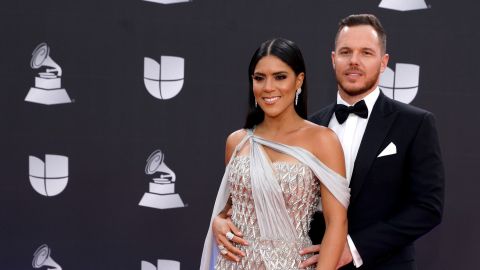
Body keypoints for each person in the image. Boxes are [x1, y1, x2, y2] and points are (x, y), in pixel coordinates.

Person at [211, 14, 445, 270]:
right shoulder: (310, 127)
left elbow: (427, 208)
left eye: (366, 53)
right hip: (302, 261)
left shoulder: (414, 123)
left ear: (383, 62)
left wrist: (354, 248)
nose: (354, 61)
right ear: (334, 59)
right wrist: (219, 220)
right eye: (346, 52)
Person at [200, 38, 351, 270]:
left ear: (299, 80)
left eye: (280, 77)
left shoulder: (322, 141)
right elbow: (231, 206)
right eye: (259, 78)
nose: (268, 87)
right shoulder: (237, 142)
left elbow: (337, 223)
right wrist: (218, 221)